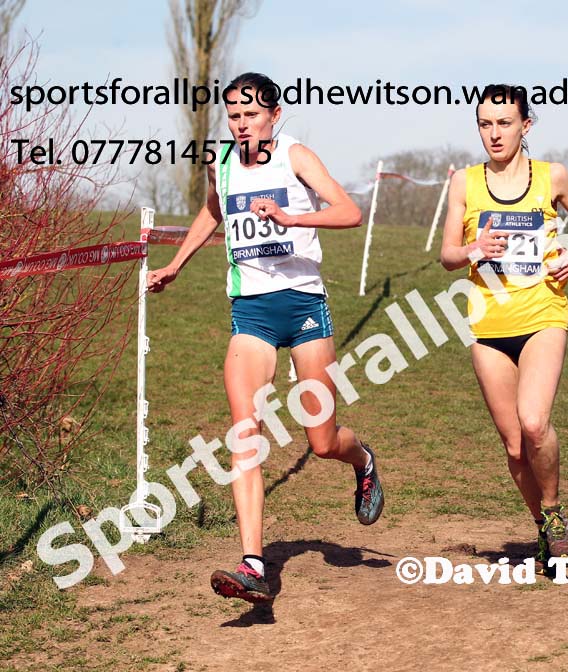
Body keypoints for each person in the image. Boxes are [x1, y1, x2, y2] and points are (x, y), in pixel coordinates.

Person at [146, 72, 384, 603]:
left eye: (250, 114)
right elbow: (214, 209)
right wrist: (177, 264)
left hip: (302, 305)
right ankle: (253, 563)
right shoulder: (222, 163)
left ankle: (362, 460)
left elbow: (350, 212)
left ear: (274, 116)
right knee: (245, 434)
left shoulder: (296, 157)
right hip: (250, 311)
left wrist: (290, 215)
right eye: (233, 116)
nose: (240, 124)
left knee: (320, 443)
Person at [440, 84, 568, 567]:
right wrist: (473, 251)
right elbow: (448, 255)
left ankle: (553, 514)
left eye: (504, 123)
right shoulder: (464, 183)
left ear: (525, 126)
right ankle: (545, 533)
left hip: (543, 314)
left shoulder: (553, 176)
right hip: (488, 324)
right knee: (514, 446)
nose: (494, 133)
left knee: (534, 423)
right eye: (485, 124)